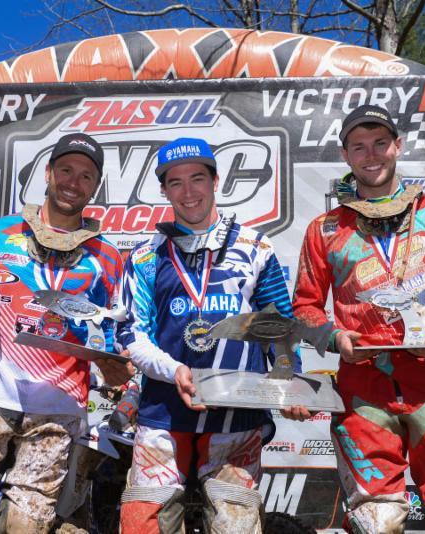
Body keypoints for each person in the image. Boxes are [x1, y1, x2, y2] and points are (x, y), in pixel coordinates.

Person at [292, 105, 425, 533]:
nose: (371, 155)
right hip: (363, 389)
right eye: (359, 146)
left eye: (380, 143)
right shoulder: (326, 228)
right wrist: (335, 338)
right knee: (378, 520)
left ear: (398, 146)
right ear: (345, 155)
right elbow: (304, 308)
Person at [0, 132, 134, 533]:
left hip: (58, 407)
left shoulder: (107, 257)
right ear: (48, 173)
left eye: (86, 176)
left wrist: (114, 366)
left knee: (26, 524)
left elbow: (115, 331)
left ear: (95, 187)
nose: (74, 181)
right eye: (66, 170)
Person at [117, 137, 308, 533]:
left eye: (198, 179)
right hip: (163, 411)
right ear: (163, 189)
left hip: (237, 415)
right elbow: (132, 334)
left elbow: (279, 327)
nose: (188, 192)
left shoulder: (255, 246)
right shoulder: (144, 255)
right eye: (176, 182)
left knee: (234, 523)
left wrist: (290, 383)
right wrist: (174, 372)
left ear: (216, 180)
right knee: (144, 523)